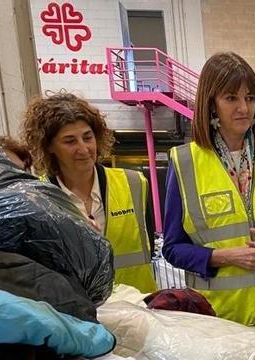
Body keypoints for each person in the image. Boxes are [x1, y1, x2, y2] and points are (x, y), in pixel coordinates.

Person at [163, 52, 255, 326]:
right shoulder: (185, 162)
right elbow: (172, 248)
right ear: (211, 104)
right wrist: (223, 257)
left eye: (250, 97)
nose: (244, 107)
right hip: (223, 316)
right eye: (231, 98)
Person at [21, 93, 157, 294]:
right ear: (49, 146)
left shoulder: (134, 183)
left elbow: (150, 245)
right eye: (70, 141)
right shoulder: (37, 198)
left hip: (140, 309)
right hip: (77, 316)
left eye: (87, 137)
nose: (83, 149)